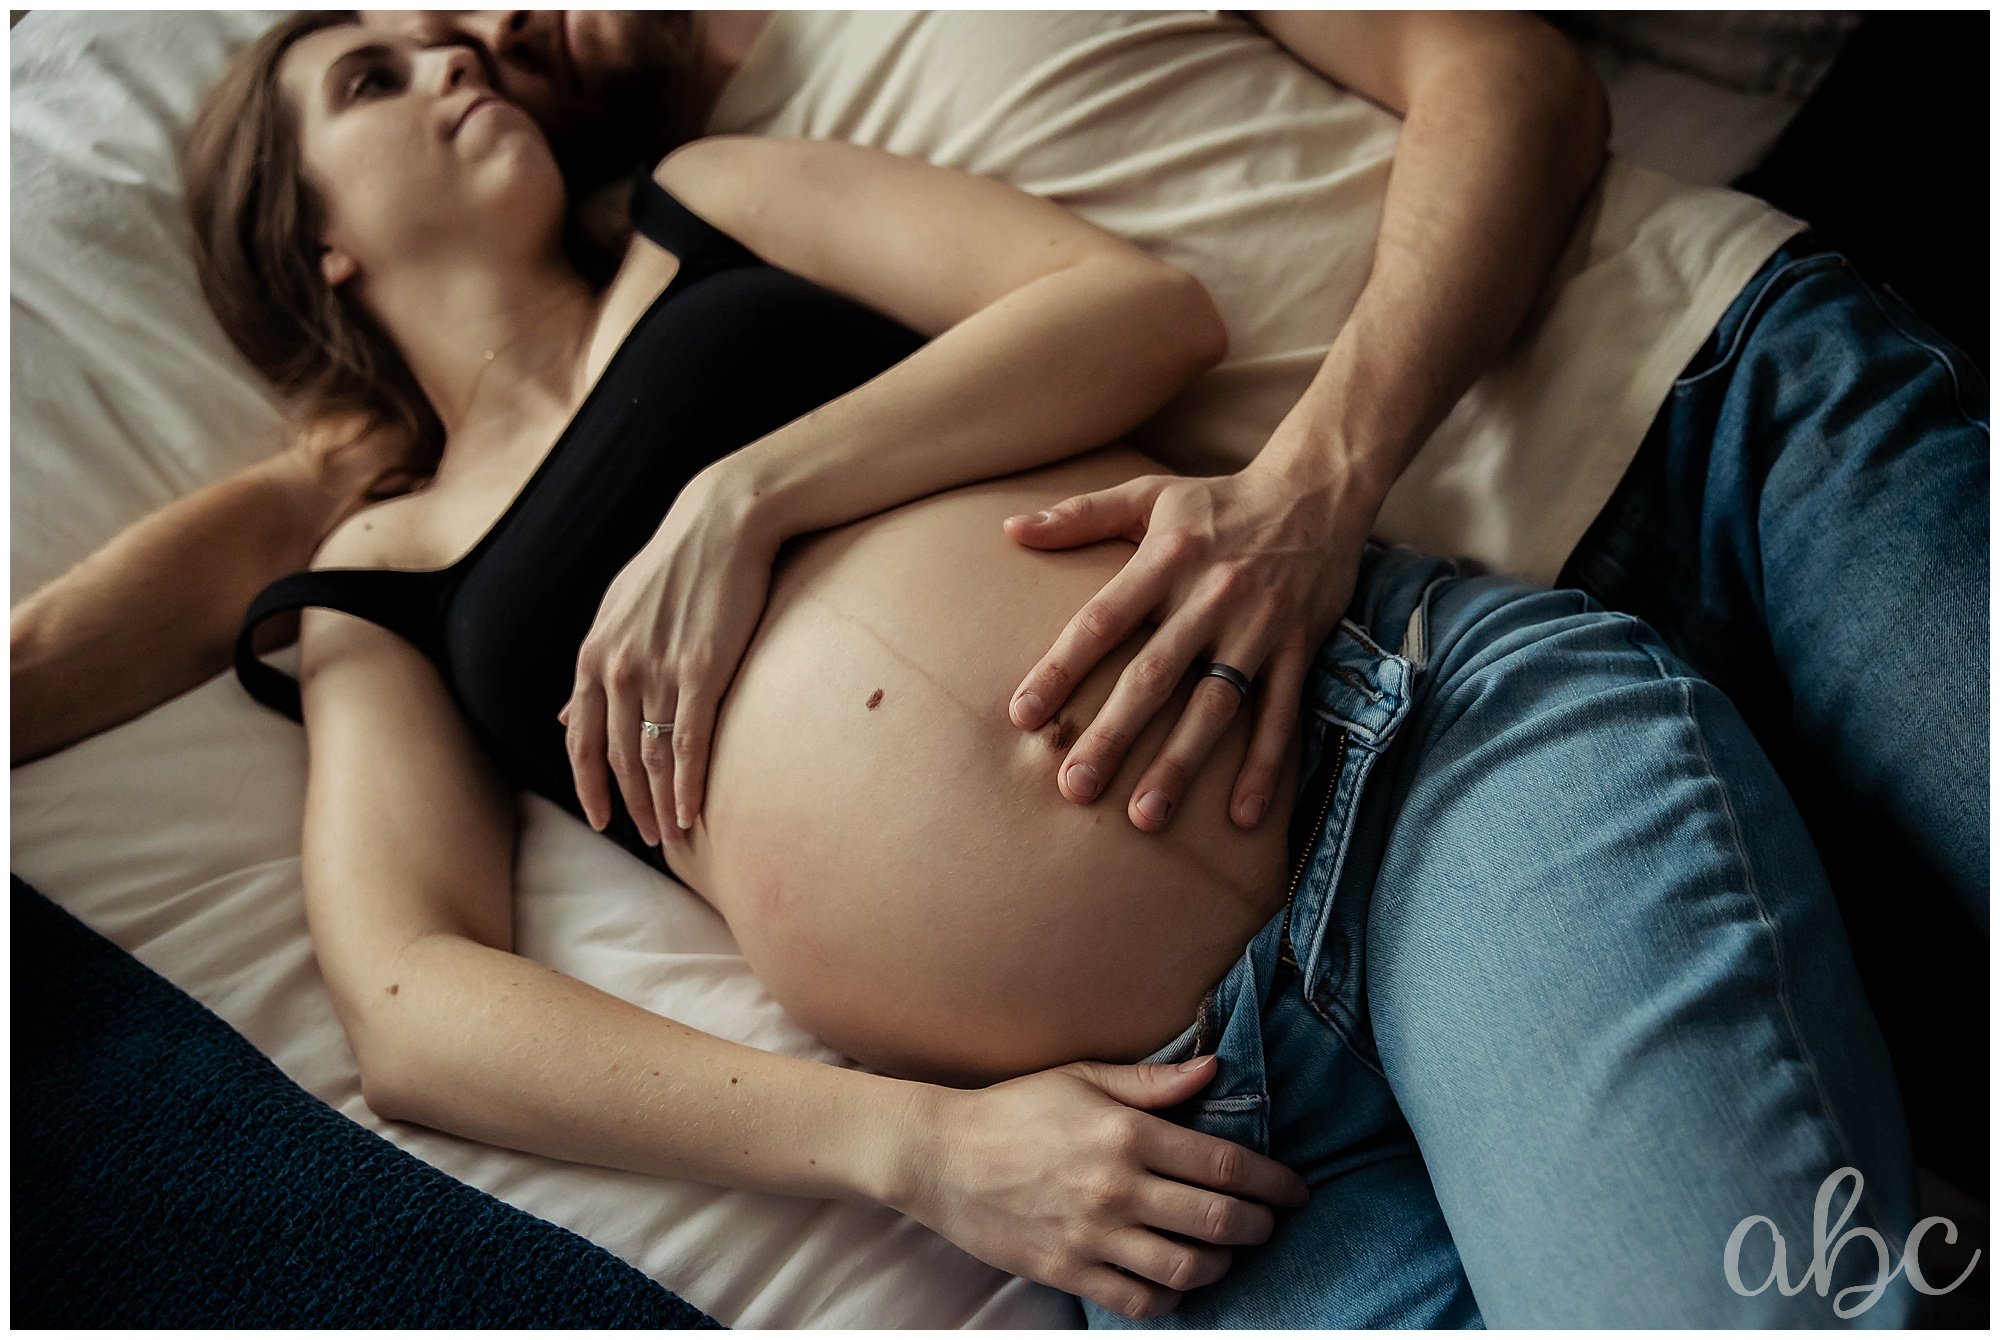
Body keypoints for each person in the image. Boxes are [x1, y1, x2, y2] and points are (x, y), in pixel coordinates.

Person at [14, 9, 1981, 1203]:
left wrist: (752, 489)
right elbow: (407, 980)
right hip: (1181, 1077)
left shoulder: (717, 206)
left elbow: (1197, 266)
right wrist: (913, 1150)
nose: (459, 49)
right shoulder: (380, 546)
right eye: (386, 60)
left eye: (451, 28)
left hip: (1552, 556)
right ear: (324, 245)